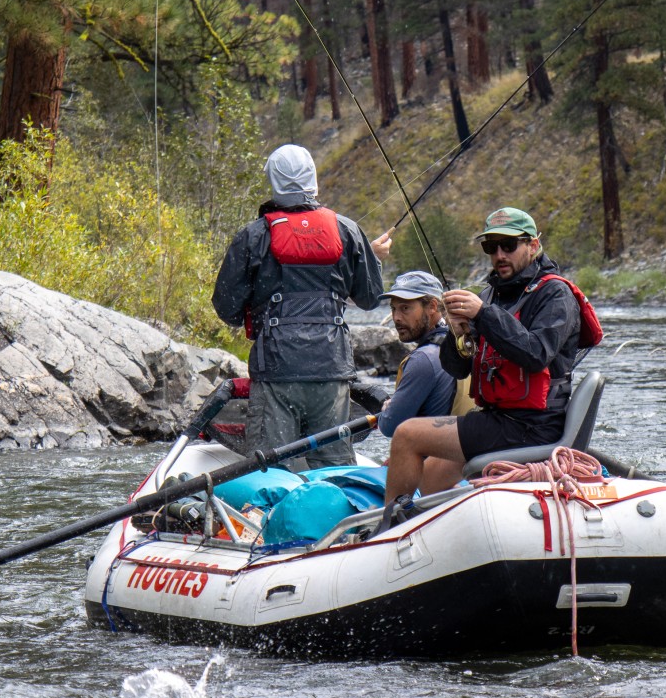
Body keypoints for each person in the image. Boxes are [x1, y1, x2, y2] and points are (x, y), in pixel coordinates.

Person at [382, 207, 581, 509]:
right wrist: (457, 335)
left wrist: (483, 315)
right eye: (491, 247)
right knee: (432, 477)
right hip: (496, 419)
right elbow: (457, 369)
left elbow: (536, 355)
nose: (499, 254)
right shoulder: (491, 295)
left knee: (407, 435)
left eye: (509, 245)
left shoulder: (555, 295)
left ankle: (388, 525)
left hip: (534, 426)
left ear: (533, 245)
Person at [211, 144, 386, 469]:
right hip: (331, 371)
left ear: (273, 181)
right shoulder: (347, 231)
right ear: (313, 179)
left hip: (277, 373)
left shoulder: (253, 237)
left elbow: (227, 309)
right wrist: (371, 259)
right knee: (333, 471)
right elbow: (370, 297)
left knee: (271, 470)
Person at [374, 270, 457, 438]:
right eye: (393, 309)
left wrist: (388, 409)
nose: (396, 317)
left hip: (428, 460)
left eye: (405, 308)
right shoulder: (459, 344)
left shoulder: (423, 359)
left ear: (432, 306)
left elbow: (389, 426)